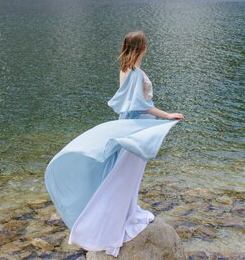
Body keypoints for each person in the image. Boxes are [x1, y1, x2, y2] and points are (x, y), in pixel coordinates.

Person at [44, 31, 184, 257]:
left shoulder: (126, 69)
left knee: (123, 176)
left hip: (132, 127)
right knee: (124, 177)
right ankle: (113, 223)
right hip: (136, 129)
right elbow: (140, 105)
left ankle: (125, 214)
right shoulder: (134, 73)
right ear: (143, 48)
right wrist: (167, 115)